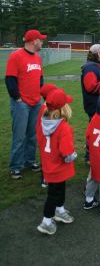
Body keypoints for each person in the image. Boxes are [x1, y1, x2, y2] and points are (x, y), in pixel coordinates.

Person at [5, 29, 47, 179]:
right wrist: (17, 98)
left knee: (33, 135)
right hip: (21, 103)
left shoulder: (37, 57)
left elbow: (40, 78)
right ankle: (16, 166)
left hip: (36, 102)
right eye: (40, 39)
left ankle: (29, 161)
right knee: (19, 136)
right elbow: (10, 79)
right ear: (33, 41)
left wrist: (41, 95)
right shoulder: (16, 56)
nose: (42, 42)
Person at [36, 88, 77, 235]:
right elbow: (67, 152)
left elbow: (40, 141)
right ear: (63, 108)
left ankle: (59, 210)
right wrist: (73, 155)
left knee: (58, 190)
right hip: (59, 166)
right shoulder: (63, 127)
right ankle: (46, 221)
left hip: (49, 164)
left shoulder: (42, 121)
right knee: (53, 194)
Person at [37, 83, 58, 188]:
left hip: (45, 135)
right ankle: (45, 179)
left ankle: (48, 177)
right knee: (46, 158)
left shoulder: (48, 106)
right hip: (45, 136)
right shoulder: (46, 108)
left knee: (49, 157)